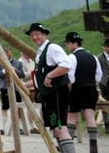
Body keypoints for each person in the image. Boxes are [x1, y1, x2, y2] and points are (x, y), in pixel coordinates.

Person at [26, 22, 74, 153]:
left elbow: (66, 65)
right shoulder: (40, 52)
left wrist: (50, 75)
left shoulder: (52, 48)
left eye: (37, 34)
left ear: (44, 34)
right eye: (32, 35)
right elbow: (39, 77)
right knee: (55, 127)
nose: (35, 37)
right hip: (49, 94)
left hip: (57, 92)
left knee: (60, 127)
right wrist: (24, 85)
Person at [63, 31, 101, 153]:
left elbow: (70, 77)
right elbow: (98, 76)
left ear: (74, 43)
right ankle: (93, 146)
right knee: (90, 116)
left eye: (68, 44)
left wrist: (68, 92)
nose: (68, 46)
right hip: (91, 88)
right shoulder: (93, 57)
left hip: (77, 89)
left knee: (71, 116)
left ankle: (67, 145)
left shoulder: (72, 57)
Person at [0, 47, 25, 136]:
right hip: (5, 87)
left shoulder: (18, 63)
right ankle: (2, 128)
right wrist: (4, 71)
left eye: (8, 52)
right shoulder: (0, 63)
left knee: (17, 108)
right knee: (4, 107)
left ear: (11, 53)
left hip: (15, 88)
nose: (7, 54)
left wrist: (15, 70)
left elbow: (22, 74)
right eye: (5, 53)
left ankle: (18, 127)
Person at [18, 51, 40, 133]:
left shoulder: (32, 61)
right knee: (29, 106)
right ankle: (31, 126)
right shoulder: (20, 62)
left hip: (34, 86)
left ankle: (37, 125)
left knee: (35, 106)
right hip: (26, 86)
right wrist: (33, 73)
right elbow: (22, 74)